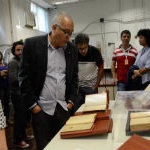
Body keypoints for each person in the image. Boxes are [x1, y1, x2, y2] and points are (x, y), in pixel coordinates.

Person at [18, 13, 78, 150]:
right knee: (44, 146)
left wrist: (71, 102)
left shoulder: (71, 49)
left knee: (65, 146)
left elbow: (74, 77)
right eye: (66, 32)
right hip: (41, 110)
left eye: (71, 33)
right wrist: (34, 106)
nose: (69, 37)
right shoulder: (32, 45)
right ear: (54, 28)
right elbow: (23, 78)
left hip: (63, 108)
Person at [8, 41, 34, 148]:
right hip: (17, 94)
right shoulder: (13, 62)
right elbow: (13, 79)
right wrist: (26, 79)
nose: (20, 52)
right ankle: (17, 140)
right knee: (19, 118)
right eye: (18, 50)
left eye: (21, 49)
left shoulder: (23, 61)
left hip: (24, 93)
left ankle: (23, 135)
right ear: (14, 51)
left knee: (24, 117)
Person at [73, 33, 103, 113]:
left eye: (85, 48)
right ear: (76, 46)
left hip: (91, 88)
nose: (83, 51)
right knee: (77, 112)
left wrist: (96, 85)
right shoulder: (74, 53)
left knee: (93, 112)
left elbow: (101, 68)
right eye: (80, 49)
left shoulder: (95, 52)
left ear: (88, 44)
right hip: (78, 90)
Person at [0, 51, 9, 122]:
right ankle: (1, 121)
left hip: (7, 87)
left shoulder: (5, 64)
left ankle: (6, 119)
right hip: (0, 88)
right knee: (1, 104)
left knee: (6, 104)